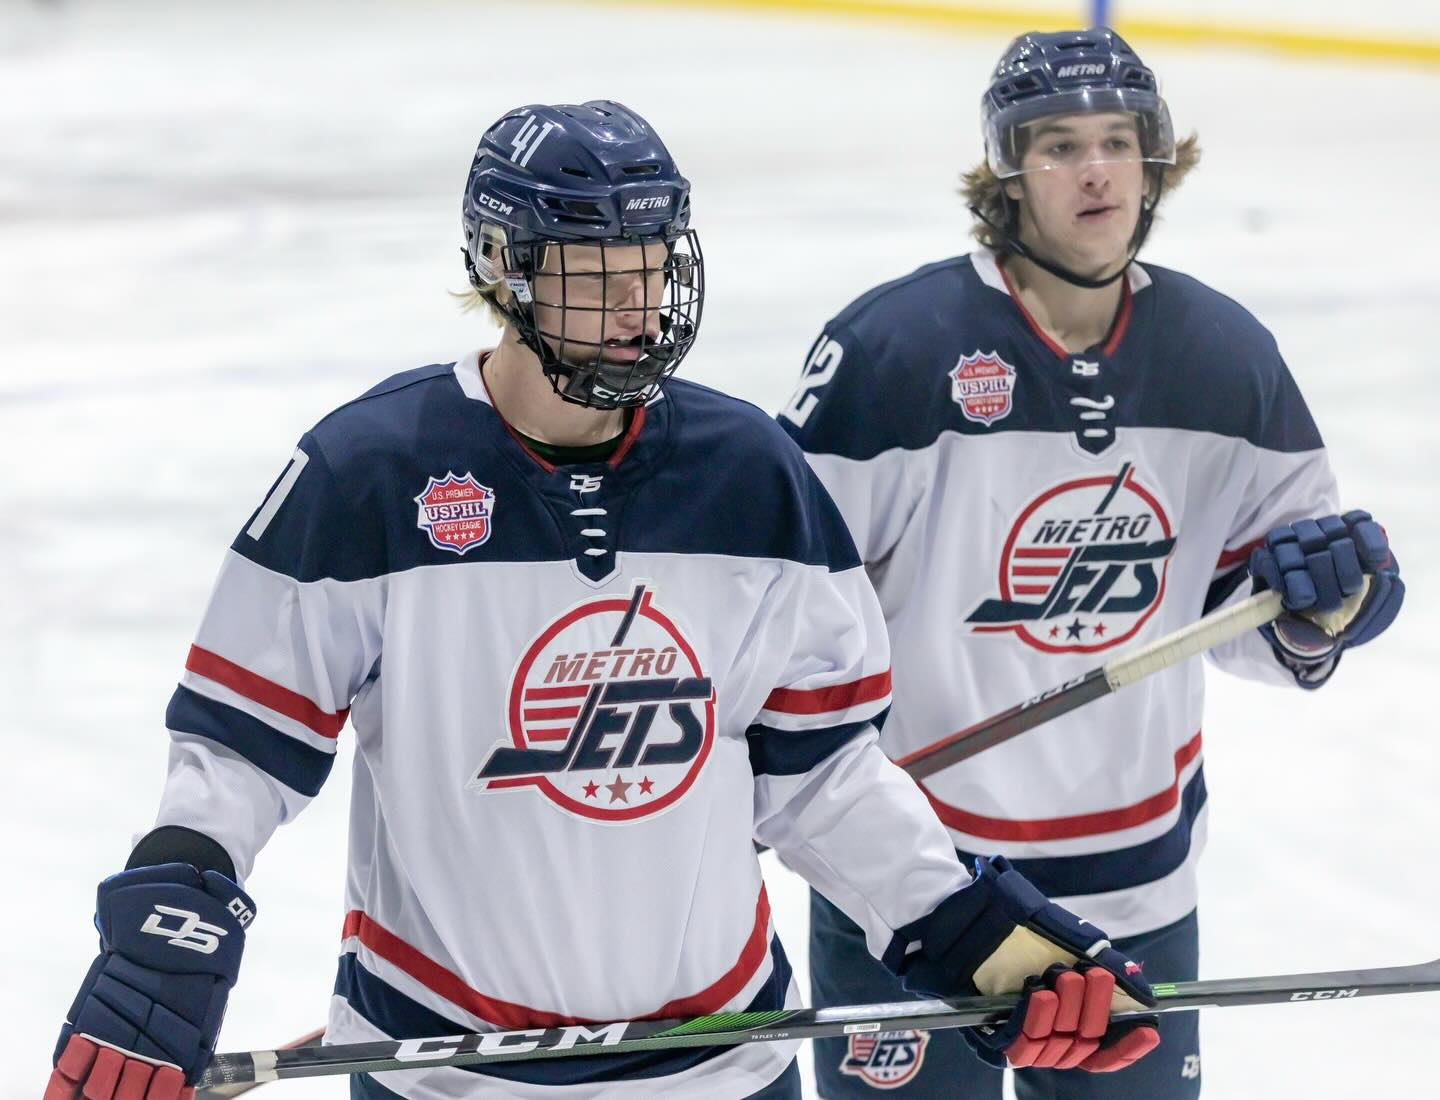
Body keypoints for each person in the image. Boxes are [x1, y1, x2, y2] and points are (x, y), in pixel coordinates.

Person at [45, 101, 1161, 1100]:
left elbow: (820, 778)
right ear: (502, 262)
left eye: (654, 262)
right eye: (598, 271)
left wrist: (978, 930)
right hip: (445, 1071)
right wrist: (172, 923)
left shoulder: (752, 472)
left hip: (726, 1062)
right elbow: (238, 752)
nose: (639, 305)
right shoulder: (367, 473)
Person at [781, 29, 1404, 1100]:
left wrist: (1317, 610)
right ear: (1009, 172)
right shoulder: (892, 353)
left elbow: (1252, 614)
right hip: (920, 882)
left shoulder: (1227, 357)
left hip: (1137, 888)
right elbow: (786, 615)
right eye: (1060, 144)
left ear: (1155, 162)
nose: (1096, 169)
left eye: (1119, 141)